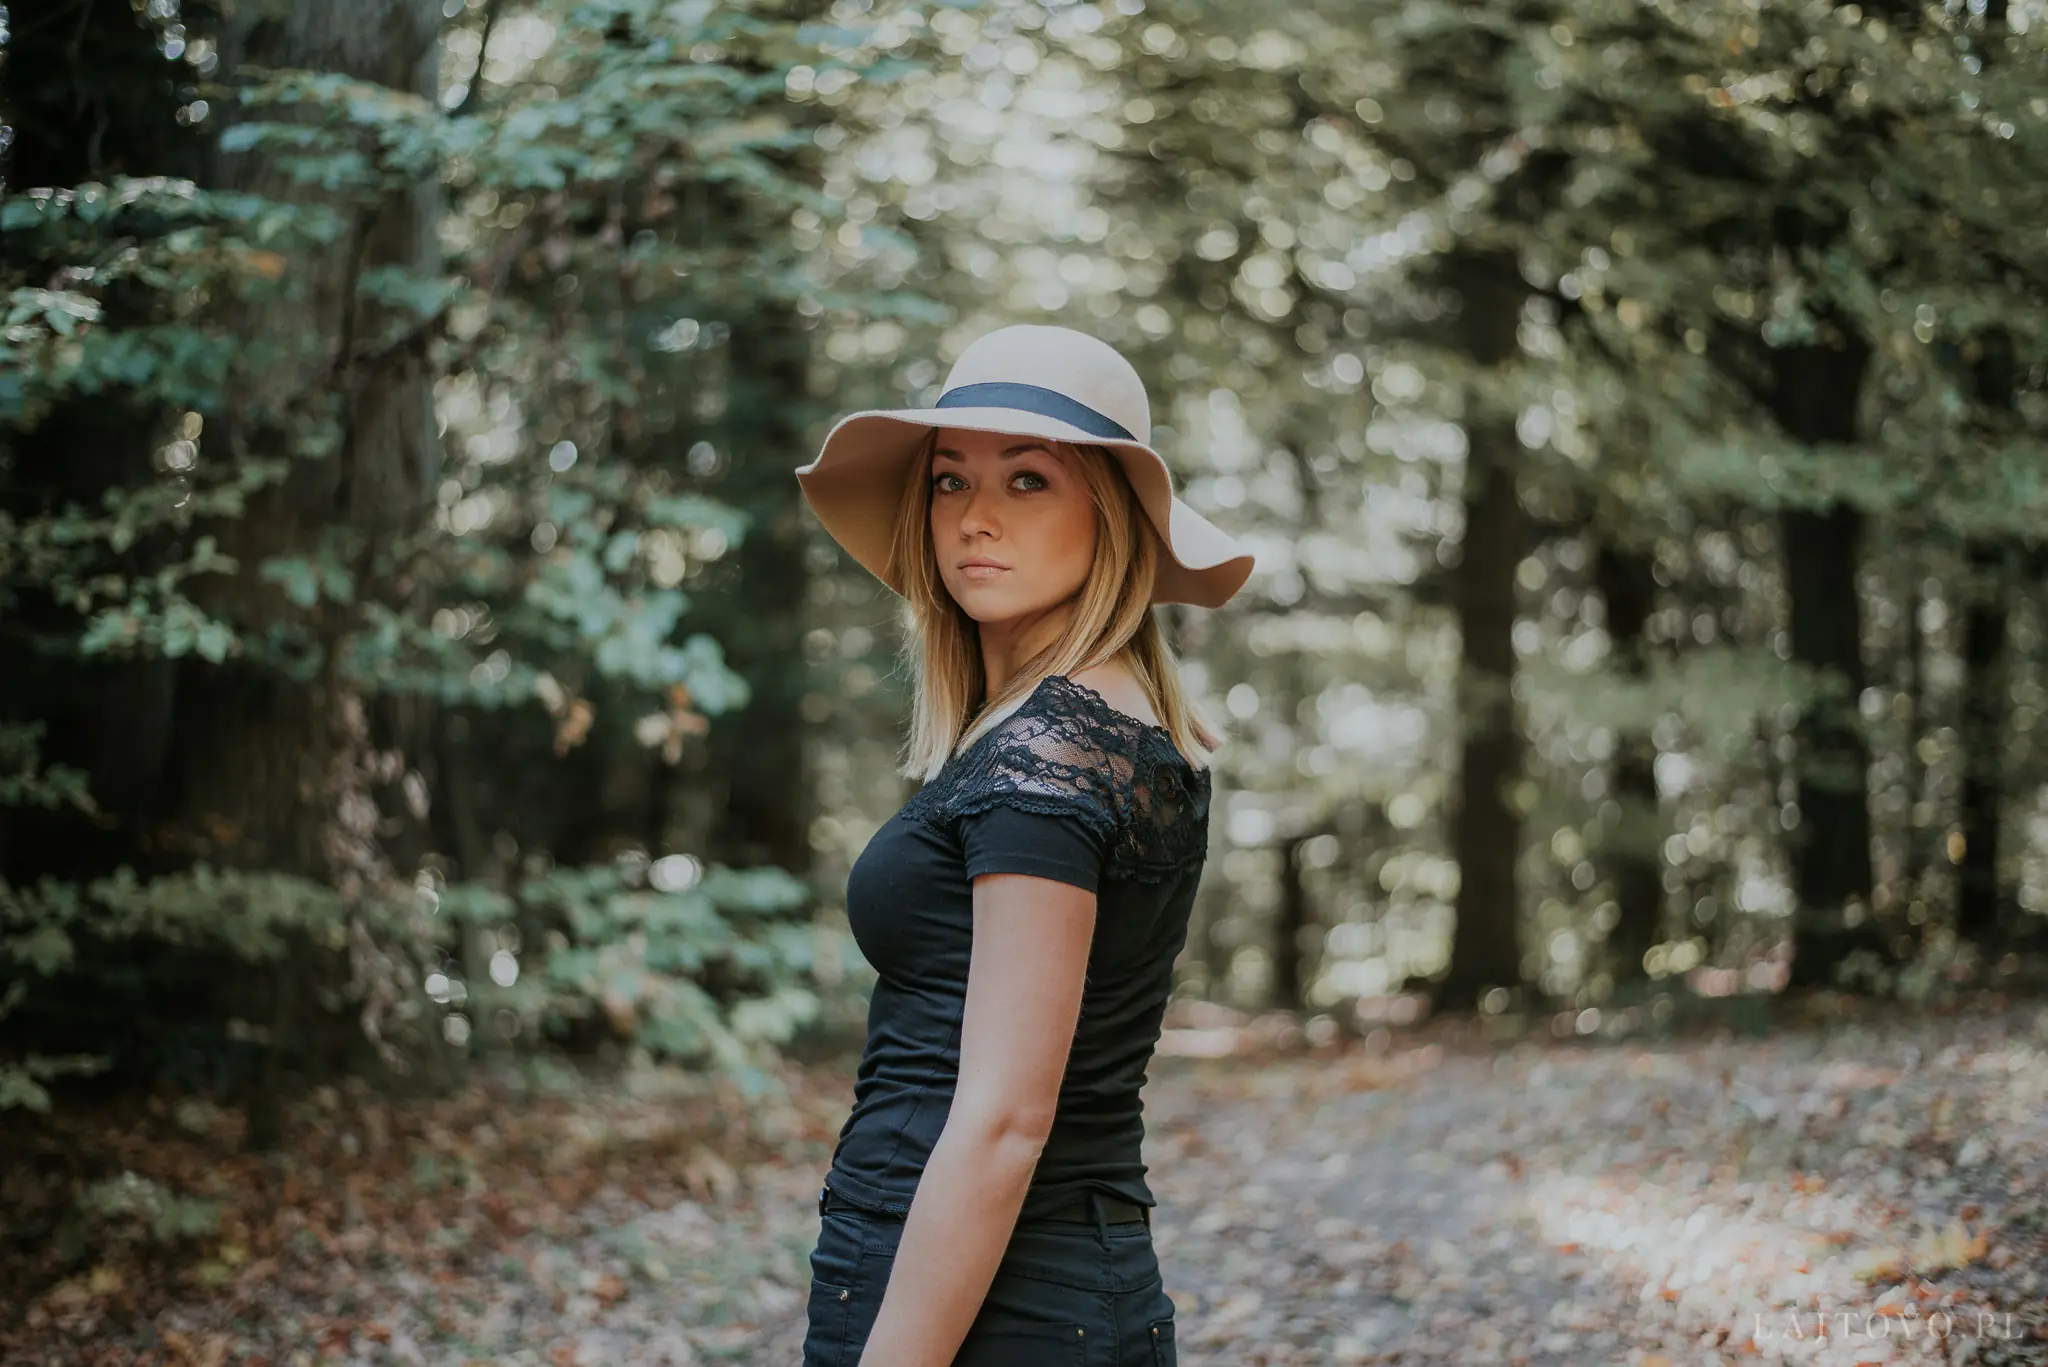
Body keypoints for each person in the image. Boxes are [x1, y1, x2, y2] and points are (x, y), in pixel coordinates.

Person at [791, 322, 1255, 1367]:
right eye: (950, 482)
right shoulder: (1080, 728)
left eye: (1028, 479)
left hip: (989, 1315)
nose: (976, 517)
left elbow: (1004, 1116)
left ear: (1114, 517)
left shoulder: (1053, 750)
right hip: (997, 1285)